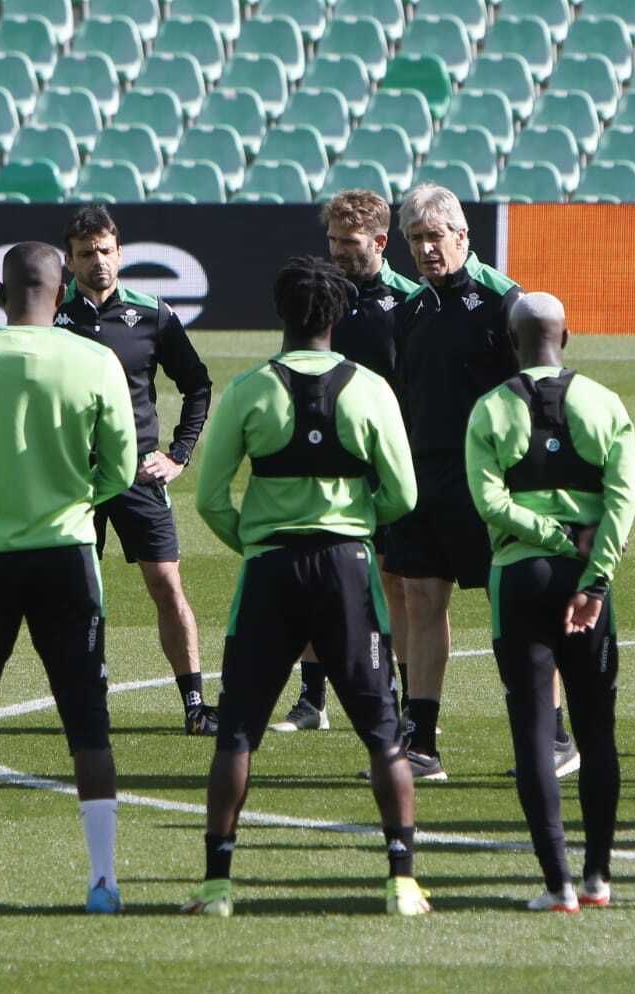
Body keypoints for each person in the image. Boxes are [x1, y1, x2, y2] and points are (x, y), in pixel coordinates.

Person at [185, 256, 427, 917]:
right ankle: (401, 880)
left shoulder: (247, 390)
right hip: (348, 569)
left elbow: (209, 497)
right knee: (382, 731)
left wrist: (256, 541)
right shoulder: (372, 389)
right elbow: (402, 493)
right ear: (340, 315)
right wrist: (354, 530)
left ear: (280, 314)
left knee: (237, 731)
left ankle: (216, 886)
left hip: (269, 571)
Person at [0, 242, 136, 915]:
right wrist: (73, 498)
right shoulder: (96, 360)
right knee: (87, 720)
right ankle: (103, 881)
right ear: (66, 286)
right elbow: (123, 467)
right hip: (68, 553)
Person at [465, 292, 635, 912]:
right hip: (585, 585)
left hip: (519, 580)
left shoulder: (490, 408)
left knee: (534, 732)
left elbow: (488, 502)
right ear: (567, 334)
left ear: (511, 340)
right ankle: (597, 878)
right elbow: (621, 504)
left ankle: (556, 884)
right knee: (597, 729)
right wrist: (593, 578)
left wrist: (546, 534)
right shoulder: (605, 403)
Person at [386, 182, 539, 782]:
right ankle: (422, 740)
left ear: (462, 236)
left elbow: (535, 394)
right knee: (423, 599)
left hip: (489, 479)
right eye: (416, 239)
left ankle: (549, 735)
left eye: (435, 237)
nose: (426, 249)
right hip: (424, 477)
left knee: (517, 606)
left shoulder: (508, 302)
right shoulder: (412, 311)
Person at [55, 206, 217, 736]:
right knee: (79, 593)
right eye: (86, 254)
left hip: (138, 475)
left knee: (166, 583)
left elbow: (197, 384)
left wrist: (178, 454)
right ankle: (86, 698)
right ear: (70, 261)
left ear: (119, 252)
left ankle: (194, 703)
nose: (98, 262)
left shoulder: (153, 314)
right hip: (73, 479)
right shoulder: (52, 320)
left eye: (105, 250)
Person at [274, 189, 418, 734]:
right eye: (332, 239)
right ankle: (313, 700)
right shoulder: (317, 296)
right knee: (314, 573)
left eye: (349, 242)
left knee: (393, 580)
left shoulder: (407, 302)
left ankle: (405, 699)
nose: (336, 251)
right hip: (321, 453)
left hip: (382, 456)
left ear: (380, 242)